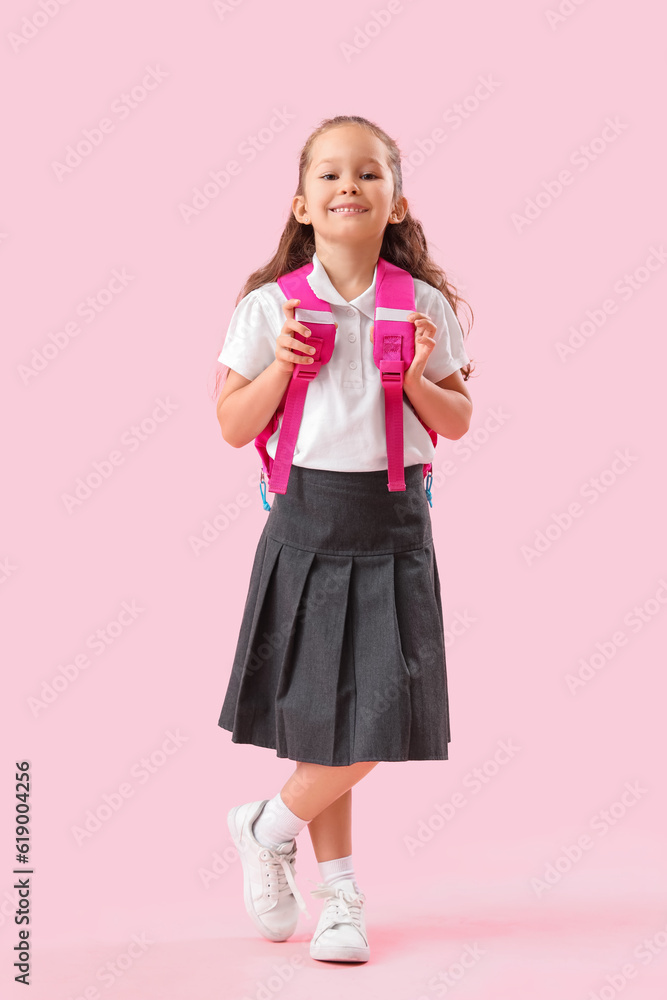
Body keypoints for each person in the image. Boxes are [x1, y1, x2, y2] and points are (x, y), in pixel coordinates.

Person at [213, 114, 475, 964]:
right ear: (301, 203)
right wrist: (283, 366)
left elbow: (458, 419)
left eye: (368, 173)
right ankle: (341, 900)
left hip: (394, 524)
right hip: (305, 525)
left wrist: (412, 379)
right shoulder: (269, 306)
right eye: (328, 175)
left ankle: (267, 824)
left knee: (383, 712)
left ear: (396, 203)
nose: (347, 186)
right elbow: (229, 423)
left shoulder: (422, 305)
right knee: (322, 724)